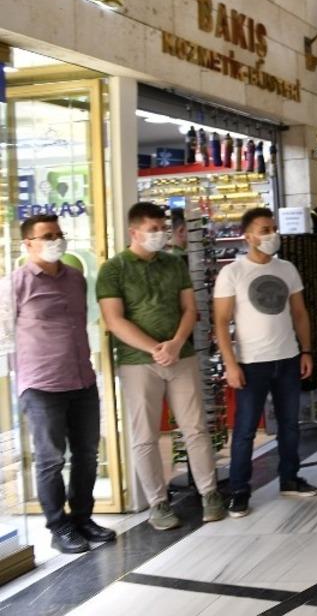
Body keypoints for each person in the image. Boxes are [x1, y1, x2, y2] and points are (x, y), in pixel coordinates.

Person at [97, 202, 226, 530]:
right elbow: (114, 320)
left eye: (162, 228)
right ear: (134, 232)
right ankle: (158, 502)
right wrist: (154, 348)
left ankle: (209, 493)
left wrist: (174, 343)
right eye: (152, 229)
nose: (159, 235)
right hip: (138, 362)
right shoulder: (113, 269)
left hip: (181, 356)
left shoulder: (174, 263)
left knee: (195, 428)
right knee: (145, 436)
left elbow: (189, 309)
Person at [0, 215, 115, 554]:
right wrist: (15, 382)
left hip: (81, 378)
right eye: (47, 236)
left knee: (87, 455)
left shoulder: (76, 278)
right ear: (28, 244)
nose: (56, 240)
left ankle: (82, 518)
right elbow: (5, 334)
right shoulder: (14, 284)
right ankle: (58, 526)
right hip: (41, 384)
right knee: (50, 458)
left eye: (59, 234)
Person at [214, 207, 317, 517]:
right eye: (264, 229)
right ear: (248, 236)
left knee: (290, 424)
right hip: (251, 363)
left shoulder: (287, 268)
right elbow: (221, 322)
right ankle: (239, 490)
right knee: (246, 428)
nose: (271, 234)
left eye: (273, 228)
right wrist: (231, 364)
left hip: (287, 358)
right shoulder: (232, 273)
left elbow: (299, 313)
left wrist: (307, 351)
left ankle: (290, 478)